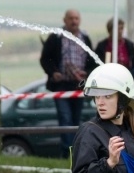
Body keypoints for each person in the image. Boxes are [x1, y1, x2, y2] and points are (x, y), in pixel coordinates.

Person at [40, 9, 99, 158]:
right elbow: (45, 58)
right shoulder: (55, 37)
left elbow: (92, 61)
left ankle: (76, 151)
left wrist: (86, 72)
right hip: (61, 86)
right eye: (71, 18)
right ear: (65, 20)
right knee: (65, 117)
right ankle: (66, 152)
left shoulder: (84, 37)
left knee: (76, 118)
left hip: (78, 86)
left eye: (77, 18)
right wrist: (53, 73)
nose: (74, 21)